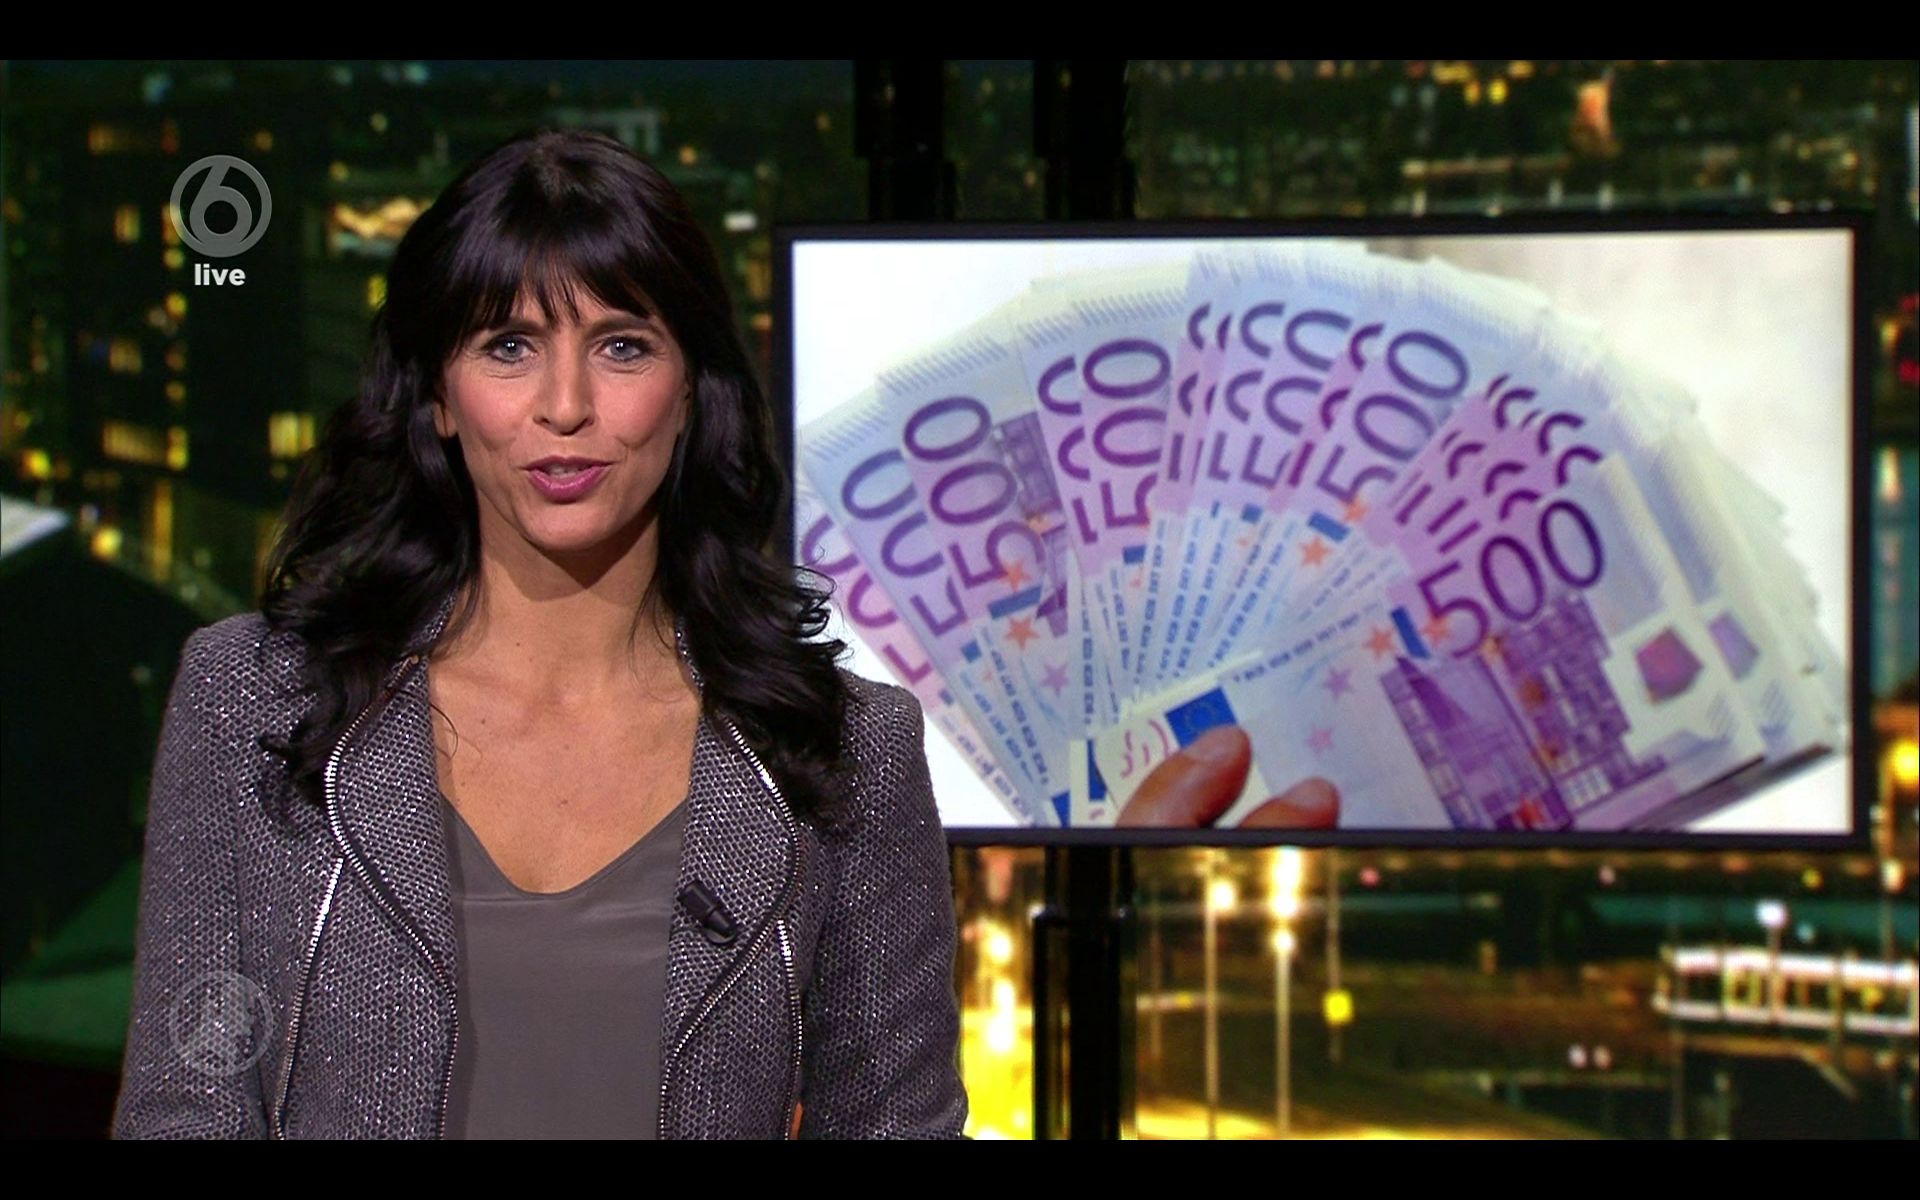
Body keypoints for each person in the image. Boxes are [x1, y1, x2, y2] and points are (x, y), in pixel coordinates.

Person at [112, 128, 969, 1139]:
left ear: (691, 393)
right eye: (509, 347)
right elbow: (186, 1110)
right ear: (439, 394)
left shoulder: (844, 748)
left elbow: (895, 1125)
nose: (566, 407)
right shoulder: (252, 701)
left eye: (622, 346)